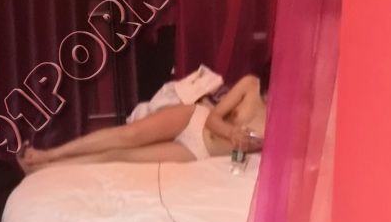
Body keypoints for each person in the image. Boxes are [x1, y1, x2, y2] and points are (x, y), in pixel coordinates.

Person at [19, 74, 267, 172]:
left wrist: (245, 145)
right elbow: (213, 118)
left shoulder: (282, 130)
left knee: (121, 156)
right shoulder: (251, 85)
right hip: (194, 120)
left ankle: (45, 169)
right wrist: (232, 132)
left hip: (199, 151)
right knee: (128, 135)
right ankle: (49, 154)